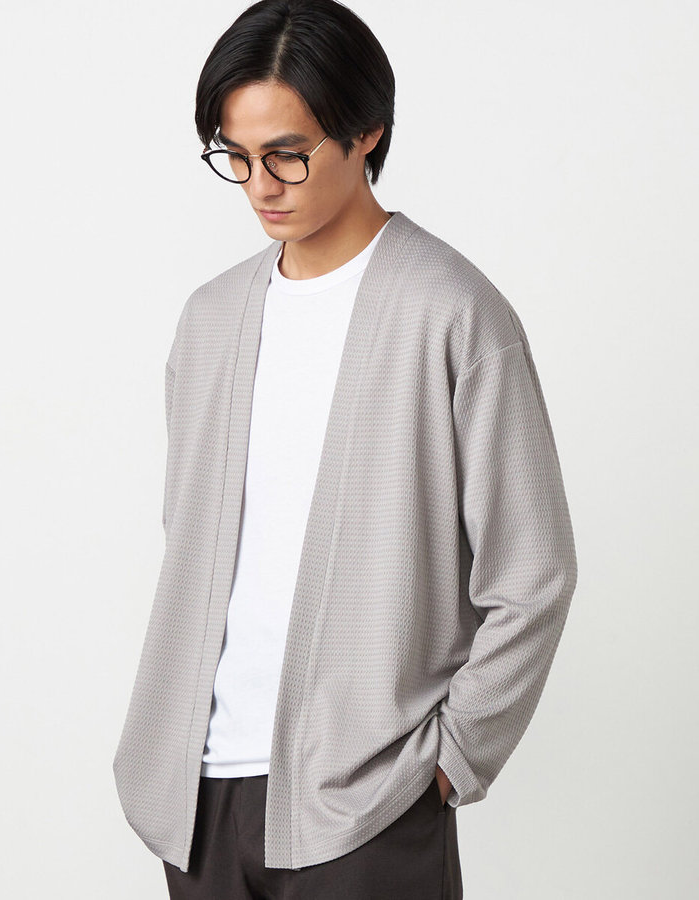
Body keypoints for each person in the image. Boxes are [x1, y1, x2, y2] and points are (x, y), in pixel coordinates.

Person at [112, 1, 578, 897]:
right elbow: (191, 541)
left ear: (367, 132)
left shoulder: (453, 313)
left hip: (369, 807)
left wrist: (450, 760)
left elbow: (534, 574)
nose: (261, 186)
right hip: (194, 801)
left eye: (288, 154)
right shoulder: (210, 321)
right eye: (236, 156)